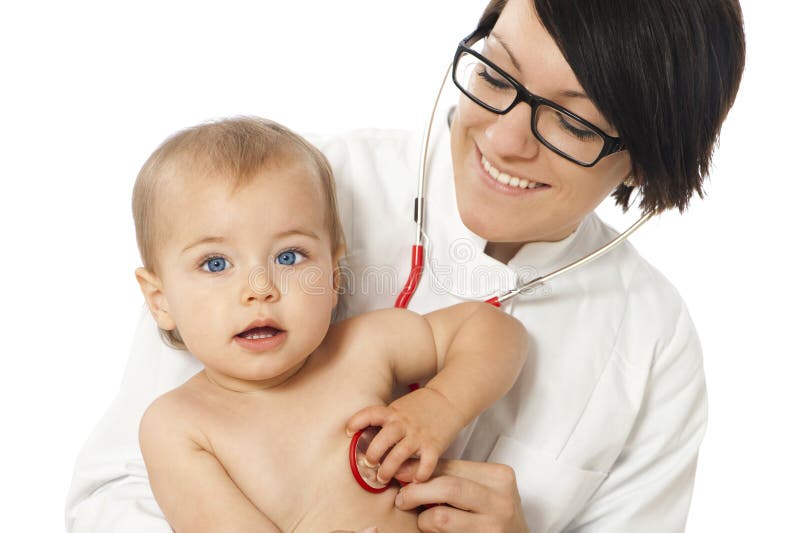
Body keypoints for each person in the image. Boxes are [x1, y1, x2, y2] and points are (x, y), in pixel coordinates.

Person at [66, 0, 746, 531]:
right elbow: (114, 492)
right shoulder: (287, 196)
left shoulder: (653, 342)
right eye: (497, 74)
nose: (504, 139)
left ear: (648, 160)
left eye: (573, 123)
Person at [131, 116, 527, 532]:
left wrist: (441, 406)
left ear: (334, 277)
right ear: (160, 301)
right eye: (215, 264)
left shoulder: (363, 348)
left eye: (289, 257)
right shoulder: (179, 427)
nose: (260, 288)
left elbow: (493, 330)